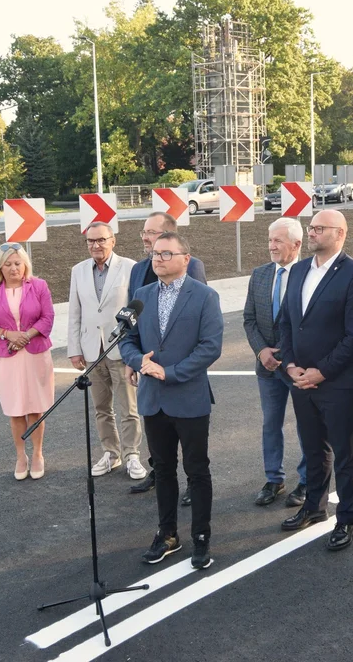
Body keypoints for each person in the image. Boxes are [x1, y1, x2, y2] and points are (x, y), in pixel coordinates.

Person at [120, 232, 223, 570]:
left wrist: (171, 372)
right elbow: (127, 340)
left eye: (166, 253)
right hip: (153, 399)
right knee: (162, 468)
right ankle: (167, 534)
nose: (158, 258)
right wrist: (139, 362)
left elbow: (210, 347)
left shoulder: (205, 296)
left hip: (189, 397)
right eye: (155, 253)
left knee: (196, 470)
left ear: (185, 259)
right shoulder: (142, 295)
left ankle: (201, 536)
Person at [278, 209, 353, 551]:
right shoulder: (299, 270)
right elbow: (288, 323)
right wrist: (290, 365)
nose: (312, 233)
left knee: (344, 453)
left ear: (340, 233)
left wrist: (322, 371)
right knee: (313, 448)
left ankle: (346, 518)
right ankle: (314, 507)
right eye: (311, 227)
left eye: (319, 228)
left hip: (337, 382)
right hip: (300, 380)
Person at [126, 211, 207, 501]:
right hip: (147, 370)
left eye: (152, 233)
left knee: (190, 446)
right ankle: (157, 473)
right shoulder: (138, 269)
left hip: (181, 377)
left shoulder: (192, 267)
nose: (146, 238)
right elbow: (130, 319)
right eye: (144, 233)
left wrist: (172, 370)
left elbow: (196, 320)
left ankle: (189, 485)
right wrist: (132, 360)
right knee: (160, 443)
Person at [67, 222, 146, 481]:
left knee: (129, 407)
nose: (96, 245)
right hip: (92, 350)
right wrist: (74, 349)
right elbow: (75, 313)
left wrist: (136, 349)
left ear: (113, 241)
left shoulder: (130, 267)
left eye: (101, 240)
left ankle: (132, 454)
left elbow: (137, 310)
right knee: (101, 407)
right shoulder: (78, 271)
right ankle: (111, 453)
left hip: (121, 350)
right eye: (91, 241)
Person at [242, 217, 308, 507]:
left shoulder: (308, 275)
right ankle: (274, 479)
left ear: (296, 244)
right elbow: (249, 319)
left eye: (277, 241)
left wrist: (286, 354)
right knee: (271, 423)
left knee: (306, 425)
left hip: (299, 367)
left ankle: (307, 481)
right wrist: (262, 352)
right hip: (266, 367)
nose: (271, 246)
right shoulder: (259, 275)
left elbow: (311, 324)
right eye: (270, 240)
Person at [0, 243, 56, 480]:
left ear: (25, 265)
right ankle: (21, 455)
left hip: (35, 355)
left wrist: (26, 336)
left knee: (35, 408)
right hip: (7, 356)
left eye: (18, 263)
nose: (14, 268)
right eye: (8, 264)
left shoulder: (39, 286)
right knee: (16, 410)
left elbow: (48, 317)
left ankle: (37, 455)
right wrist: (7, 334)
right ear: (0, 267)